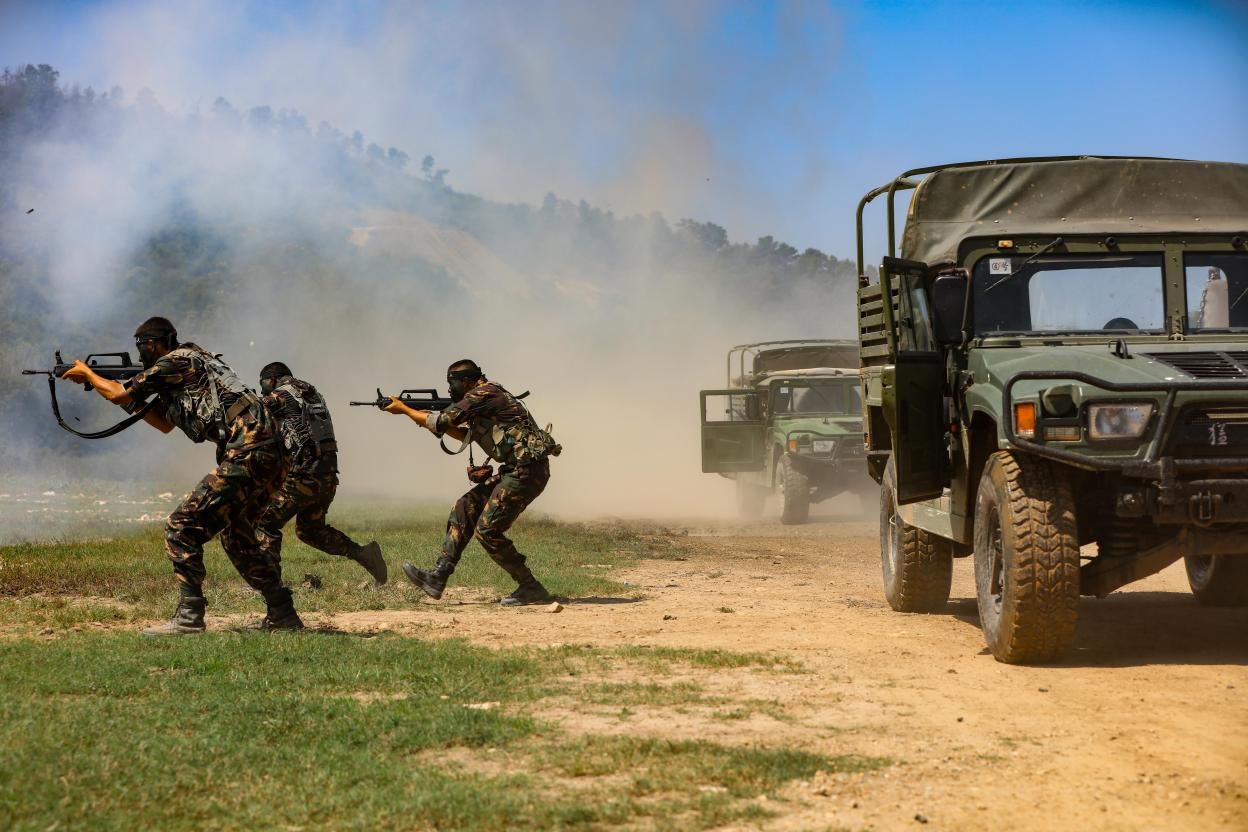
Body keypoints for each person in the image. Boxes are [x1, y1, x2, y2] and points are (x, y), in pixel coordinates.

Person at [60, 317, 302, 634]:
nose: (141, 355)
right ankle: (282, 615)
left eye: (142, 347)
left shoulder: (175, 361)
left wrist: (89, 375)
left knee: (182, 526)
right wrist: (101, 385)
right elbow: (163, 423)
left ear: (155, 344)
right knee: (236, 535)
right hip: (272, 453)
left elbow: (121, 393)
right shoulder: (191, 367)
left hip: (252, 448)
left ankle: (189, 618)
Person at [383, 359, 560, 606]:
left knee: (488, 530)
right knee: (464, 507)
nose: (449, 390)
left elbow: (442, 422)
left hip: (526, 472)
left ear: (467, 381)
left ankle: (531, 587)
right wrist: (422, 417)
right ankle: (437, 577)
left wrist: (405, 410)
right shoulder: (485, 396)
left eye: (452, 383)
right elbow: (465, 434)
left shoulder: (482, 394)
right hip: (517, 470)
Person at [254, 362, 386, 583]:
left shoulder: (281, 395)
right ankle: (364, 555)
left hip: (302, 477)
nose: (263, 389)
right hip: (326, 477)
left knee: (264, 522)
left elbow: (251, 413)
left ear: (272, 379)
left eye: (263, 384)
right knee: (310, 531)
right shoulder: (312, 394)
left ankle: (268, 585)